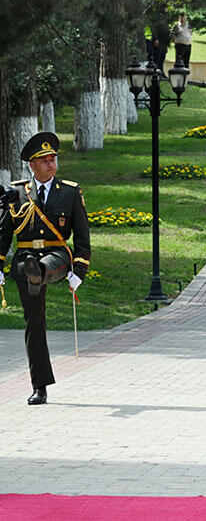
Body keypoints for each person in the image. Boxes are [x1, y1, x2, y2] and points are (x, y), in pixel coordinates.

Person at [0, 132, 91, 405]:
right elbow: (3, 235)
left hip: (57, 255)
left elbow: (83, 238)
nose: (51, 164)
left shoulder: (71, 193)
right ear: (32, 165)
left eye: (53, 159)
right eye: (44, 160)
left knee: (42, 266)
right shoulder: (15, 193)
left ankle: (35, 271)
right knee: (34, 323)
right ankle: (40, 386)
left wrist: (79, 272)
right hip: (25, 253)